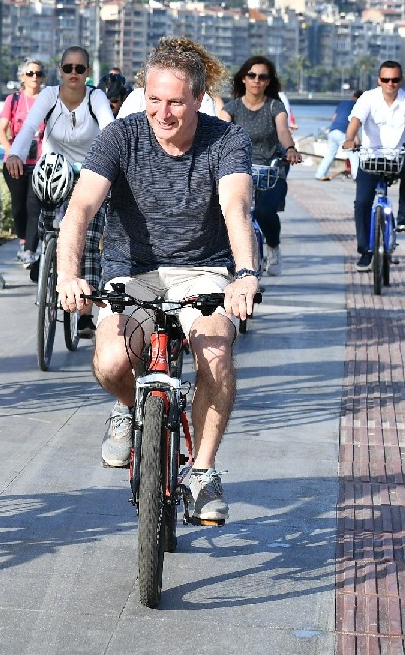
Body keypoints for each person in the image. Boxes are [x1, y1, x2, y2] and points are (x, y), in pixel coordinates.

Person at [56, 36, 258, 525]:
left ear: (197, 100)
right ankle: (129, 407)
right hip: (131, 271)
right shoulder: (121, 137)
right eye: (154, 99)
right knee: (110, 362)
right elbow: (81, 208)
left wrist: (245, 274)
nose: (162, 113)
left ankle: (203, 471)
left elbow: (236, 207)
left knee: (214, 353)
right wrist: (68, 275)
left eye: (174, 102)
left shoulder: (226, 140)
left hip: (203, 270)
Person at [4, 45, 114, 334]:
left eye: (80, 69)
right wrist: (15, 154)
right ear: (60, 71)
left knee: (89, 238)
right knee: (49, 224)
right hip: (54, 168)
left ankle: (87, 312)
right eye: (68, 68)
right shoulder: (49, 96)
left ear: (87, 72)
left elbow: (110, 130)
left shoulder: (96, 97)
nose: (73, 73)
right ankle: (45, 253)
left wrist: (116, 164)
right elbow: (28, 127)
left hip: (91, 170)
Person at [217, 57, 302, 276]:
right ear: (243, 78)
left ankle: (273, 246)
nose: (256, 80)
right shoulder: (231, 108)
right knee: (224, 213)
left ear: (268, 81)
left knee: (265, 212)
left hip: (271, 172)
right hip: (239, 172)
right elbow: (220, 133)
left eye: (262, 76)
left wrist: (290, 148)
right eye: (252, 75)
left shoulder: (275, 106)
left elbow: (283, 131)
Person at [343, 61, 405, 272]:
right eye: (386, 79)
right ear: (379, 80)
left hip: (397, 157)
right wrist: (350, 139)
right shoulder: (368, 98)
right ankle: (365, 251)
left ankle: (403, 217)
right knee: (362, 203)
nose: (390, 84)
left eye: (395, 80)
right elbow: (355, 121)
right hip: (370, 158)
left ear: (400, 80)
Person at [0, 59, 46, 264]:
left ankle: (29, 250)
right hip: (15, 162)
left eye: (38, 73)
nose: (34, 77)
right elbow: (1, 130)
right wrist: (12, 153)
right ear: (22, 77)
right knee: (19, 208)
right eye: (30, 73)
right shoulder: (14, 100)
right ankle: (23, 239)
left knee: (33, 206)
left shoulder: (48, 99)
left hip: (39, 160)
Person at [316, 90, 361, 181]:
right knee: (353, 154)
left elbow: (334, 117)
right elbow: (354, 123)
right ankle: (357, 177)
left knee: (330, 154)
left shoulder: (342, 103)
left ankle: (319, 174)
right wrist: (356, 138)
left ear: (353, 96)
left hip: (333, 130)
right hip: (343, 132)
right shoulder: (358, 106)